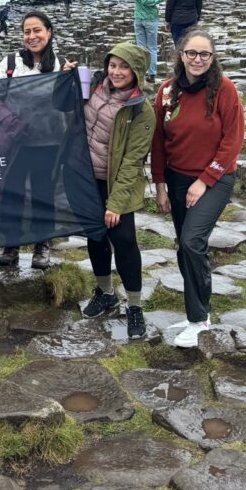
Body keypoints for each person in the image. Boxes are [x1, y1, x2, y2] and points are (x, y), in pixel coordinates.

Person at [152, 29, 245, 349]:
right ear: (181, 55)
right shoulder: (166, 92)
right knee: (184, 246)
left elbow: (232, 142)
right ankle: (198, 315)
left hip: (216, 179)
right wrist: (160, 185)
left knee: (192, 242)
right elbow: (158, 143)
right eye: (191, 53)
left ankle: (199, 318)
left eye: (204, 54)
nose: (197, 59)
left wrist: (204, 181)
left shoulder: (225, 90)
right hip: (176, 179)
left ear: (213, 57)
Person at [78, 42, 153, 340]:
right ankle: (105, 292)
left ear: (136, 73)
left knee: (124, 242)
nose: (116, 71)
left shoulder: (141, 111)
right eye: (113, 64)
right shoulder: (95, 86)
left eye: (124, 67)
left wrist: (116, 204)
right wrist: (69, 73)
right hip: (87, 179)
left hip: (117, 183)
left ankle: (134, 305)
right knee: (95, 237)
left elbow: (133, 161)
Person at [0, 11, 73, 269]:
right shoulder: (10, 63)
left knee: (43, 194)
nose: (32, 36)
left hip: (49, 144)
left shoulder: (62, 66)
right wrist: (10, 123)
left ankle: (42, 246)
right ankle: (10, 246)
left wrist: (72, 80)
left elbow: (71, 105)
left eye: (37, 30)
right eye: (27, 31)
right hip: (14, 142)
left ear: (49, 32)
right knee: (10, 194)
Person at [132, 0, 162, 83]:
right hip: (149, 19)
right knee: (152, 48)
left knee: (140, 48)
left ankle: (140, 73)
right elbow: (146, 1)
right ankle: (152, 74)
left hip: (138, 18)